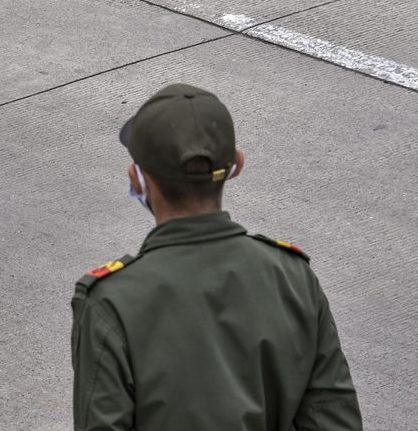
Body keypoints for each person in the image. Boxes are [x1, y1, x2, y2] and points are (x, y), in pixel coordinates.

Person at [71, 83, 363, 430]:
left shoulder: (111, 302)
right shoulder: (293, 277)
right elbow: (334, 420)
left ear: (137, 179)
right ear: (237, 164)